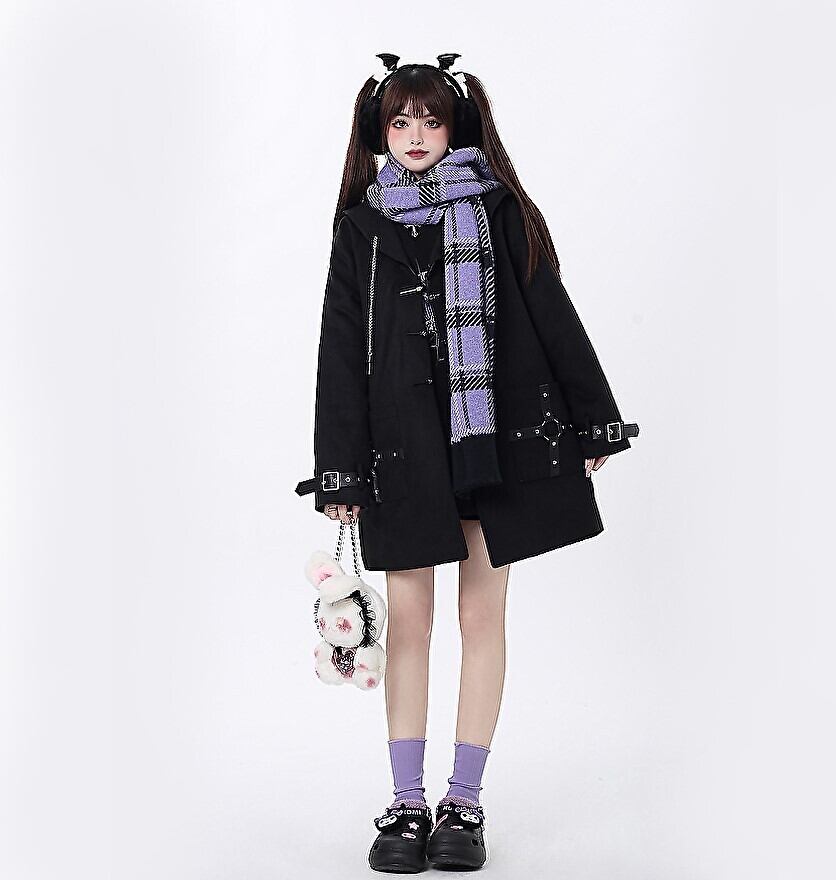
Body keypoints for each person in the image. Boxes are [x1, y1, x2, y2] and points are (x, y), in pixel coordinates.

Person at [295, 53, 639, 873]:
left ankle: (464, 802)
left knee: (481, 620)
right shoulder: (361, 228)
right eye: (400, 121)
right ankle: (406, 804)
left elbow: (549, 309)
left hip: (492, 444)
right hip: (402, 451)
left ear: (457, 126)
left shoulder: (497, 211)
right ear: (379, 132)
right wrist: (340, 469)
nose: (415, 135)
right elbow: (339, 350)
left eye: (431, 120)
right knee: (408, 623)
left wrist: (592, 421)